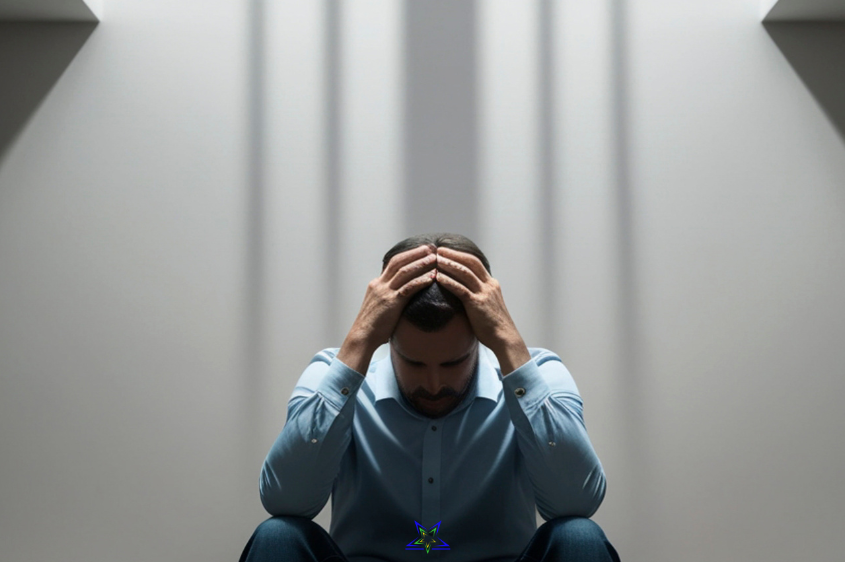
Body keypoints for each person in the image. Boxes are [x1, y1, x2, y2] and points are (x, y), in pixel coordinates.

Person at [241, 233, 620, 562]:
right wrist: (358, 341)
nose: (435, 384)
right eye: (414, 362)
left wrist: (509, 342)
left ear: (480, 339)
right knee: (278, 537)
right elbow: (285, 501)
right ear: (387, 340)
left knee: (578, 539)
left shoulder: (536, 375)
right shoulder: (334, 376)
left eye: (454, 362)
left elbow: (577, 502)